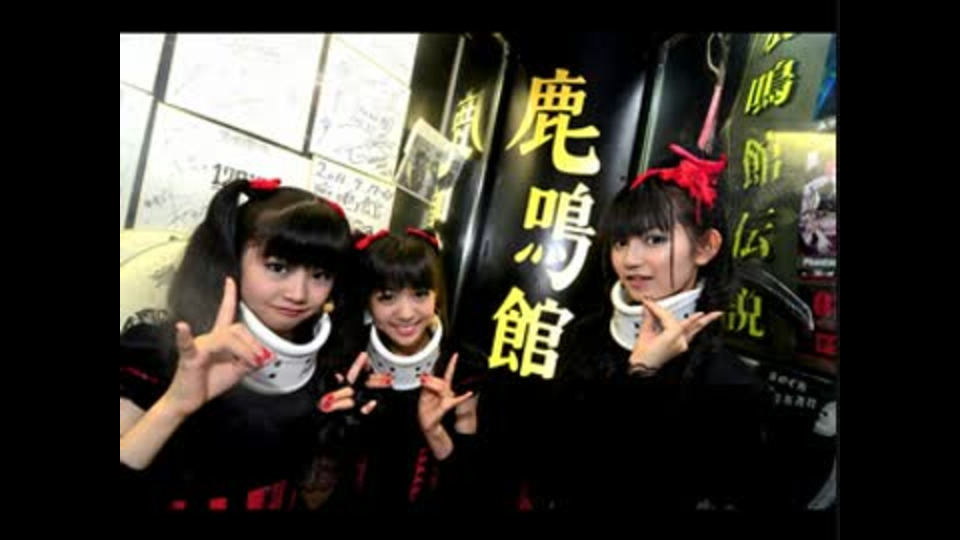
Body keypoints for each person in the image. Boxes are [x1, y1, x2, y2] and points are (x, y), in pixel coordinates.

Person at [545, 144, 771, 512]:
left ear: (705, 247)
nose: (630, 260)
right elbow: (556, 469)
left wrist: (643, 375)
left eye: (654, 239)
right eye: (621, 242)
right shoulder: (583, 336)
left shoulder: (731, 384)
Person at [119, 178, 359, 511]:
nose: (299, 294)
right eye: (277, 267)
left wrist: (333, 438)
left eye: (320, 275)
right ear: (232, 262)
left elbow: (313, 499)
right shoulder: (156, 351)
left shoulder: (326, 371)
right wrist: (174, 405)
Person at [313, 228, 483, 512]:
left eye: (420, 294)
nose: (406, 313)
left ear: (437, 296)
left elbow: (467, 489)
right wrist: (336, 427)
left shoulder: (462, 366)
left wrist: (435, 432)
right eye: (387, 297)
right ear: (368, 301)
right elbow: (313, 490)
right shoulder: (345, 357)